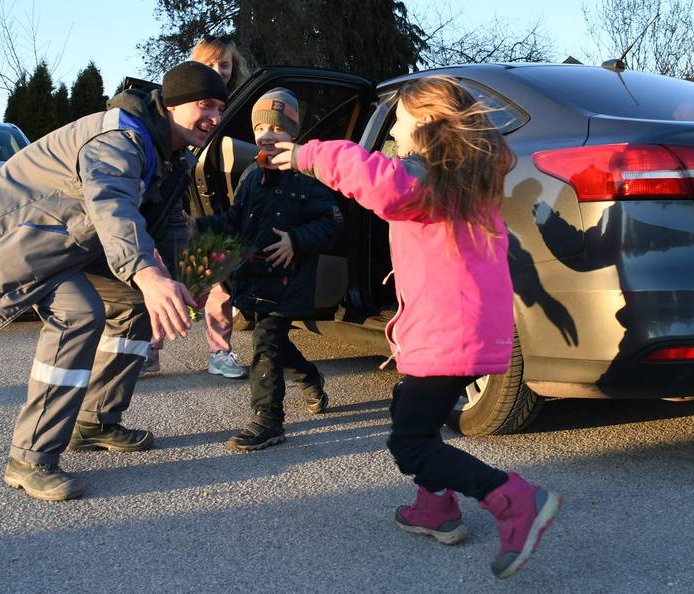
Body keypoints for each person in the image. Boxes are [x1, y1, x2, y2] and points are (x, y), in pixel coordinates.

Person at [271, 76, 561, 579]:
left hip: (446, 332)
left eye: (399, 121)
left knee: (410, 442)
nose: (393, 133)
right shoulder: (463, 179)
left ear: (424, 123)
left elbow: (379, 182)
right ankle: (435, 511)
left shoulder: (422, 178)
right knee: (412, 411)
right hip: (468, 330)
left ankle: (512, 499)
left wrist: (305, 155)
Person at [0, 61, 229, 501]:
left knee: (137, 303)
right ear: (171, 104)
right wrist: (147, 272)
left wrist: (181, 277)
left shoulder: (171, 152)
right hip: (19, 239)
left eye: (220, 107)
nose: (215, 118)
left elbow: (166, 223)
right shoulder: (119, 139)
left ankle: (96, 422)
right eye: (205, 106)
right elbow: (113, 208)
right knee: (78, 314)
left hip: (74, 240)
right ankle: (29, 458)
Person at [192, 88, 341, 451]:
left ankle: (268, 419)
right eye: (260, 127)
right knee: (273, 342)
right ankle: (310, 378)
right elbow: (234, 219)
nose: (267, 135)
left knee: (266, 343)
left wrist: (296, 240)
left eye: (276, 128)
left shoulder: (308, 176)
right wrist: (196, 227)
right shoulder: (250, 176)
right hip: (253, 276)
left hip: (288, 279)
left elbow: (333, 221)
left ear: (293, 133)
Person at [142, 34, 252, 378]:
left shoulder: (241, 108)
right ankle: (149, 349)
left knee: (219, 284)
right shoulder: (183, 107)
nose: (218, 70)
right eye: (210, 63)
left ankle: (220, 353)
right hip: (181, 208)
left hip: (221, 208)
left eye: (224, 64)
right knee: (163, 278)